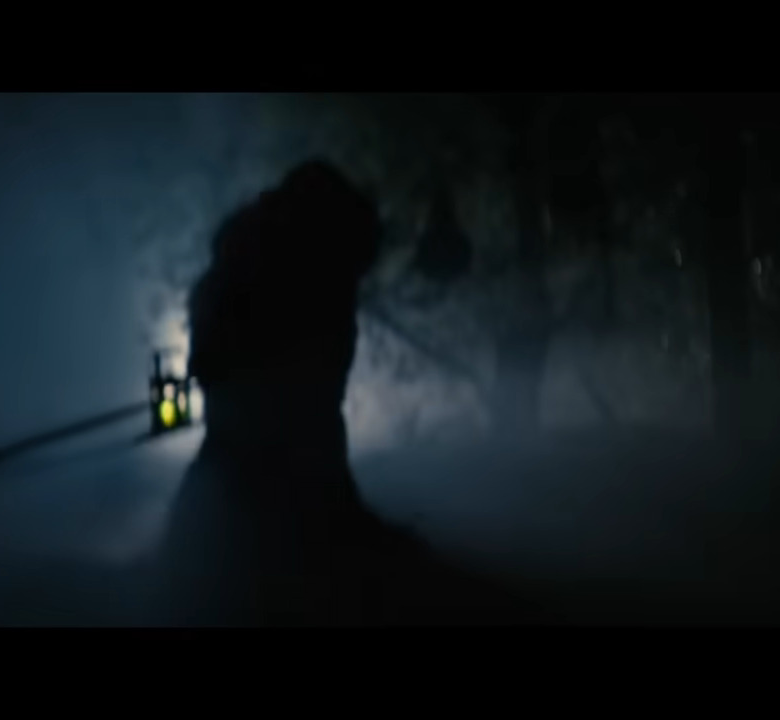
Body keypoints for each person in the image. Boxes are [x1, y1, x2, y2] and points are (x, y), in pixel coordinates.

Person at [154, 159, 544, 626]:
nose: (355, 279)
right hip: (255, 495)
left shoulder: (266, 271)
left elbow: (244, 379)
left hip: (254, 483)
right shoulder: (287, 280)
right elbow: (250, 384)